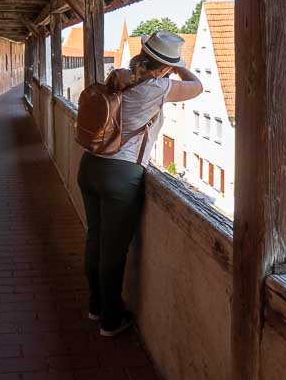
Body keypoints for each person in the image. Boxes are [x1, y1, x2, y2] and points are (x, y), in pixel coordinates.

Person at [77, 30, 203, 337]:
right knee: (113, 252)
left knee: (95, 238)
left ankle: (95, 307)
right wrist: (179, 65)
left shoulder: (119, 76)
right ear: (165, 67)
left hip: (90, 165)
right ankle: (110, 320)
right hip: (121, 176)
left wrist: (167, 63)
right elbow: (197, 87)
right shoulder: (158, 88)